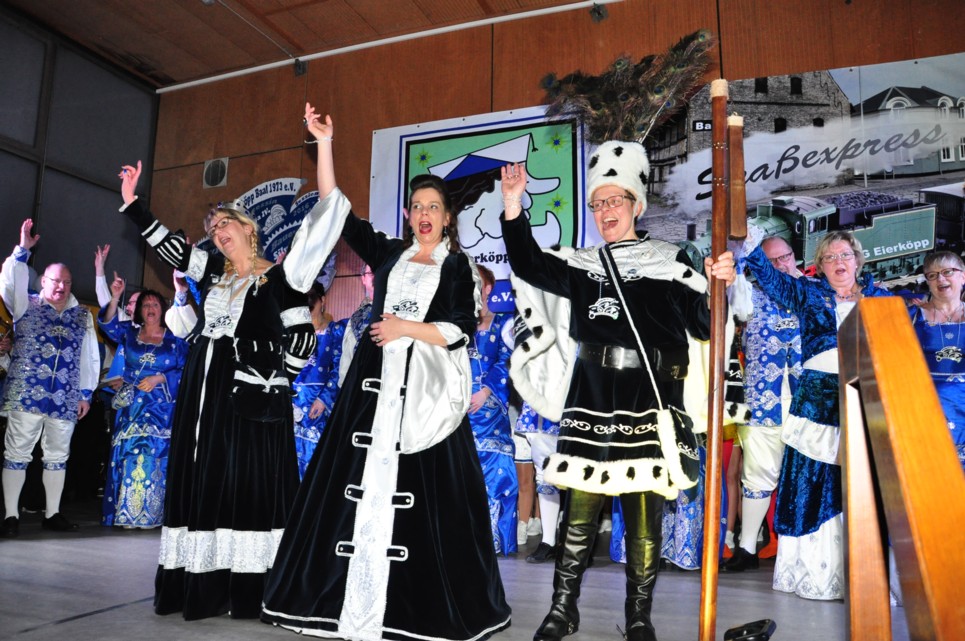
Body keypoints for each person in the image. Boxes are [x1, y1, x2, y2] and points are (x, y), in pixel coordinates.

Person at [261, 105, 511, 641]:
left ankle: (414, 607)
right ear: (407, 214)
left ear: (448, 217)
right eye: (417, 206)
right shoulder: (391, 254)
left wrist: (403, 328)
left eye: (434, 207)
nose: (425, 214)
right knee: (342, 494)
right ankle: (341, 599)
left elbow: (459, 329)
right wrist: (324, 144)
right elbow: (337, 210)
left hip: (427, 398)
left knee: (433, 509)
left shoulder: (458, 267)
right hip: (369, 396)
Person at [501, 141, 736, 641]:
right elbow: (528, 264)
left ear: (637, 204)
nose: (605, 210)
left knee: (644, 521)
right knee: (578, 514)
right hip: (592, 394)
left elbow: (703, 324)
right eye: (597, 203)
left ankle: (639, 615)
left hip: (652, 399)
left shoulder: (672, 260)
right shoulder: (582, 264)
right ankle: (562, 609)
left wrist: (720, 285)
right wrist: (514, 204)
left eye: (615, 200)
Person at [117, 160, 320, 619]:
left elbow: (303, 340)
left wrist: (271, 383)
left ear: (248, 228)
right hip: (202, 388)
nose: (218, 231)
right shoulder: (211, 270)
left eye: (225, 223)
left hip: (247, 393)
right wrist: (133, 204)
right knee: (203, 477)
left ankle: (247, 586)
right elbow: (171, 248)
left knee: (243, 481)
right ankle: (201, 582)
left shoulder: (281, 279)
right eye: (213, 228)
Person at [741, 229, 890, 600]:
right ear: (819, 265)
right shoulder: (806, 293)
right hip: (816, 399)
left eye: (844, 255)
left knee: (865, 484)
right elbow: (768, 276)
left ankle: (867, 576)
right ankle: (819, 576)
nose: (838, 262)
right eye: (829, 257)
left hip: (866, 397)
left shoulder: (881, 297)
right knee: (814, 484)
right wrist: (750, 238)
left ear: (857, 260)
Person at [1, 220, 100, 537]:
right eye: (56, 281)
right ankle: (11, 515)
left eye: (67, 282)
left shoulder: (82, 316)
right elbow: (8, 282)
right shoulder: (24, 304)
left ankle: (53, 513)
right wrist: (22, 250)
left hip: (65, 397)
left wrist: (85, 392)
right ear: (43, 281)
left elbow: (89, 356)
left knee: (58, 456)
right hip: (26, 394)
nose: (62, 287)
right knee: (17, 453)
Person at [721, 236, 803, 573]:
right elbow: (730, 298)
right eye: (773, 261)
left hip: (807, 404)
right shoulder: (750, 295)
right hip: (761, 401)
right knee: (755, 477)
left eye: (786, 257)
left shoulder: (814, 292)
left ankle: (801, 551)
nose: (782, 264)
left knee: (806, 479)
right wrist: (738, 255)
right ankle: (746, 548)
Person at [99, 281, 188, 528]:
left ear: (163, 309)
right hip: (132, 407)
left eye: (155, 304)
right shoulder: (129, 333)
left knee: (156, 454)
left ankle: (153, 514)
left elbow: (187, 370)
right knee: (129, 453)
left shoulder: (175, 339)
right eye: (146, 305)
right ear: (139, 310)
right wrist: (115, 297)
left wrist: (161, 378)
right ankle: (127, 512)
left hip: (162, 408)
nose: (150, 308)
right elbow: (107, 324)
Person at [470, 264, 517, 555]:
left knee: (496, 472)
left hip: (491, 409)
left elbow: (507, 360)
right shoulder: (458, 323)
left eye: (476, 283)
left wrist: (485, 390)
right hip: (458, 409)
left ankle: (496, 539)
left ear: (487, 288)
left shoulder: (504, 323)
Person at [908, 251, 965, 470]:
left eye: (947, 272)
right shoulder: (911, 316)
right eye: (932, 275)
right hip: (926, 408)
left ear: (963, 276)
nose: (940, 278)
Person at [291, 281, 345, 478]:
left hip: (319, 405)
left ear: (322, 301)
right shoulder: (291, 332)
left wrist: (324, 399)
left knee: (316, 459)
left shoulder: (336, 331)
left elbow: (340, 368)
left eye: (311, 306)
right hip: (292, 402)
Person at [514, 401, 561, 564]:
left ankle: (579, 542)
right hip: (538, 411)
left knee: (579, 473)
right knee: (544, 474)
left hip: (570, 410)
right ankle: (548, 541)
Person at [337, 262, 374, 385]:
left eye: (379, 272)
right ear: (363, 279)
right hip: (360, 385)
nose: (375, 277)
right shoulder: (356, 318)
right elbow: (346, 362)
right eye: (371, 273)